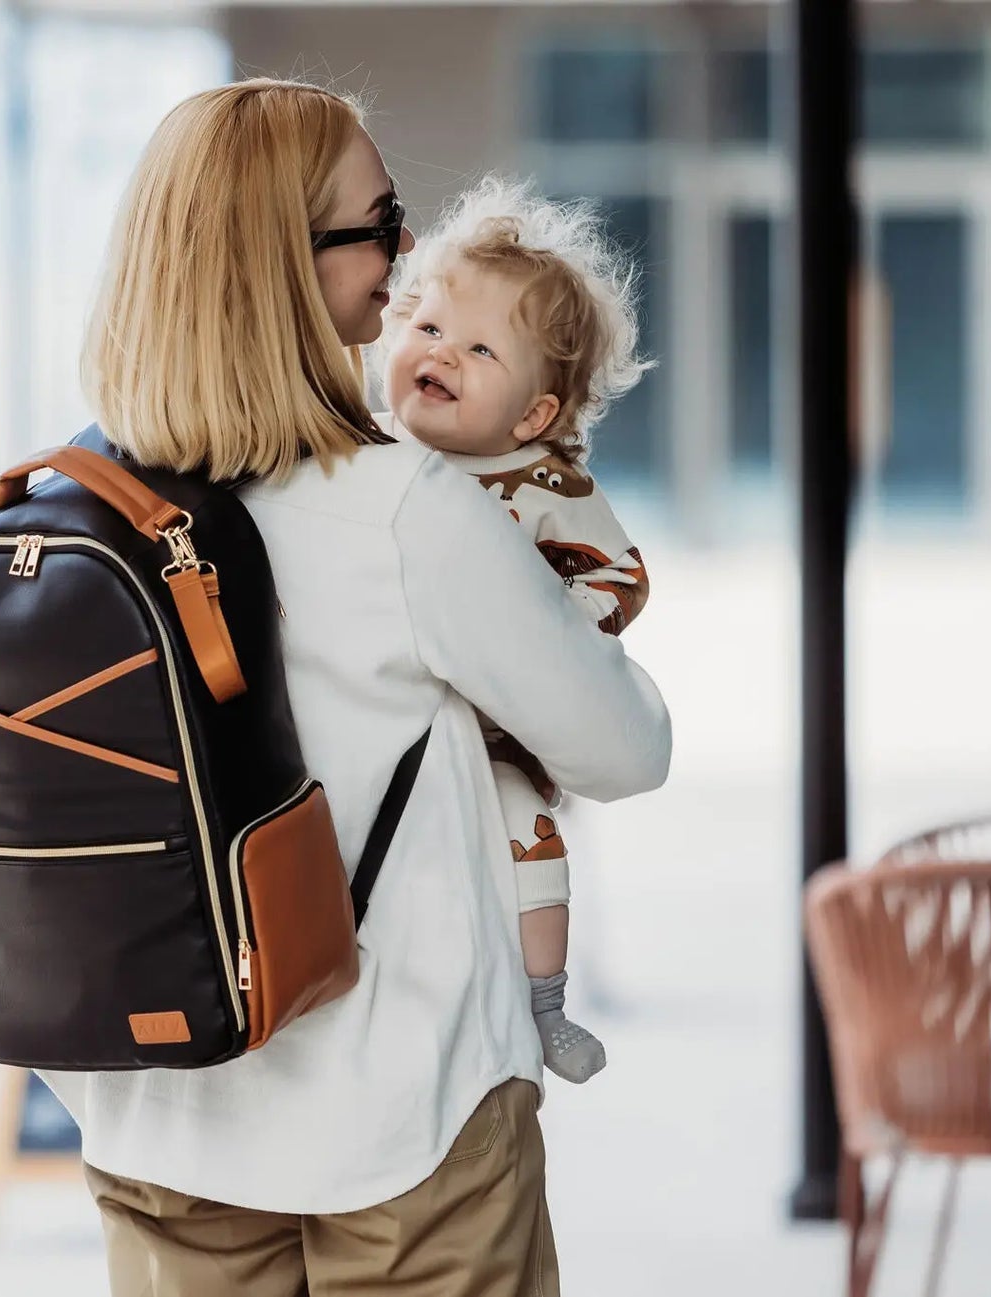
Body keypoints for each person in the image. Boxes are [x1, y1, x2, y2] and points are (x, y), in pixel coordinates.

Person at [45, 78, 672, 1297]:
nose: (403, 253)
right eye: (377, 224)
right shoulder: (408, 508)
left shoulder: (79, 501)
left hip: (157, 1126)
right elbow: (622, 747)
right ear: (286, 257)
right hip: (403, 1125)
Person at [378, 177, 652, 1085]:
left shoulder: (543, 484)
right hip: (390, 720)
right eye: (427, 329)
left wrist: (545, 626)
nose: (442, 353)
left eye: (480, 348)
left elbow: (620, 576)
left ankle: (546, 1004)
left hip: (494, 731)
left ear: (534, 414)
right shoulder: (371, 450)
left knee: (526, 831)